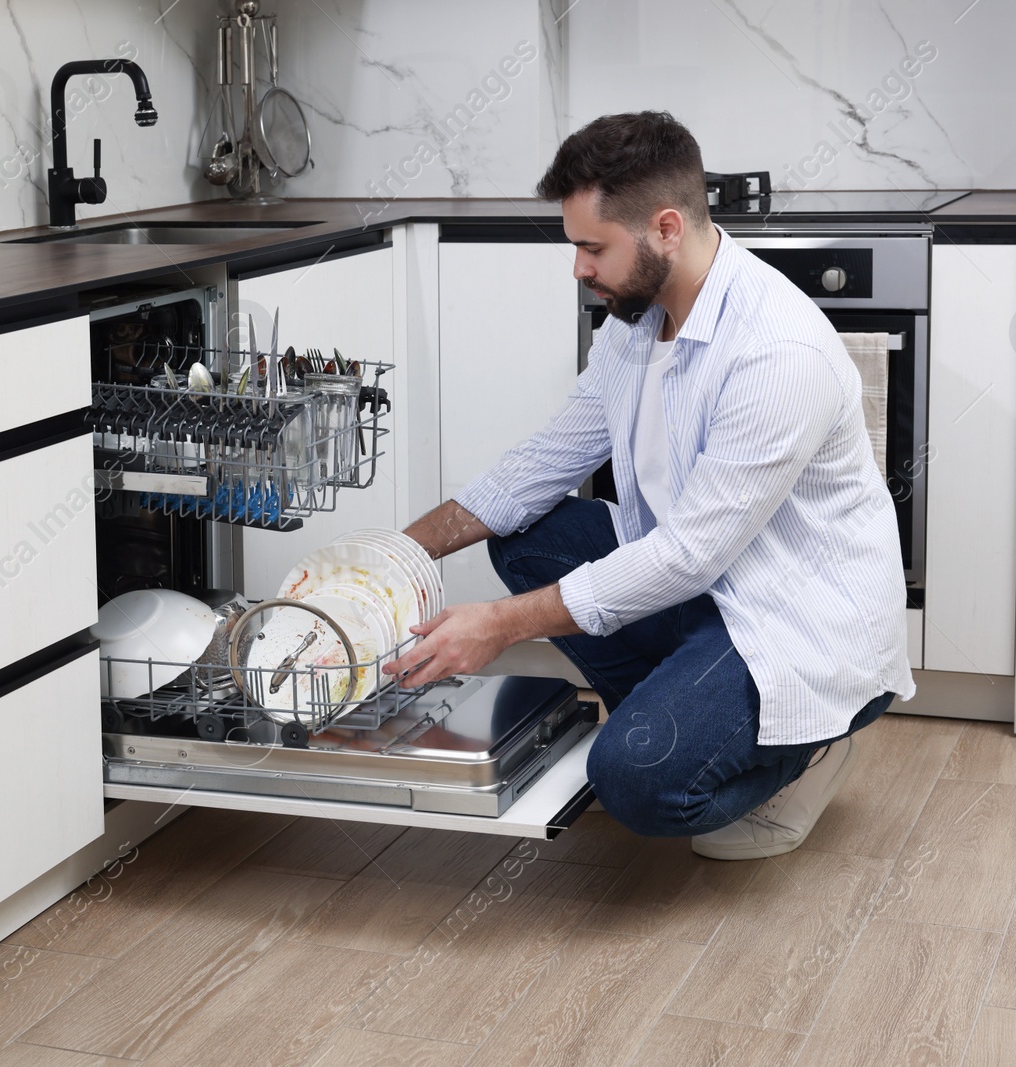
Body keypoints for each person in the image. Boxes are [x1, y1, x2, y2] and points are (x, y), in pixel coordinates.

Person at [384, 111, 915, 860]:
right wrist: (386, 558)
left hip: (791, 621)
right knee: (527, 535)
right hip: (706, 589)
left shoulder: (776, 351)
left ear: (666, 228)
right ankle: (690, 710)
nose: (579, 268)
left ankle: (806, 747)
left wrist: (500, 625)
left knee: (633, 779)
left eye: (592, 248)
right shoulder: (635, 325)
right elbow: (538, 466)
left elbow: (687, 556)